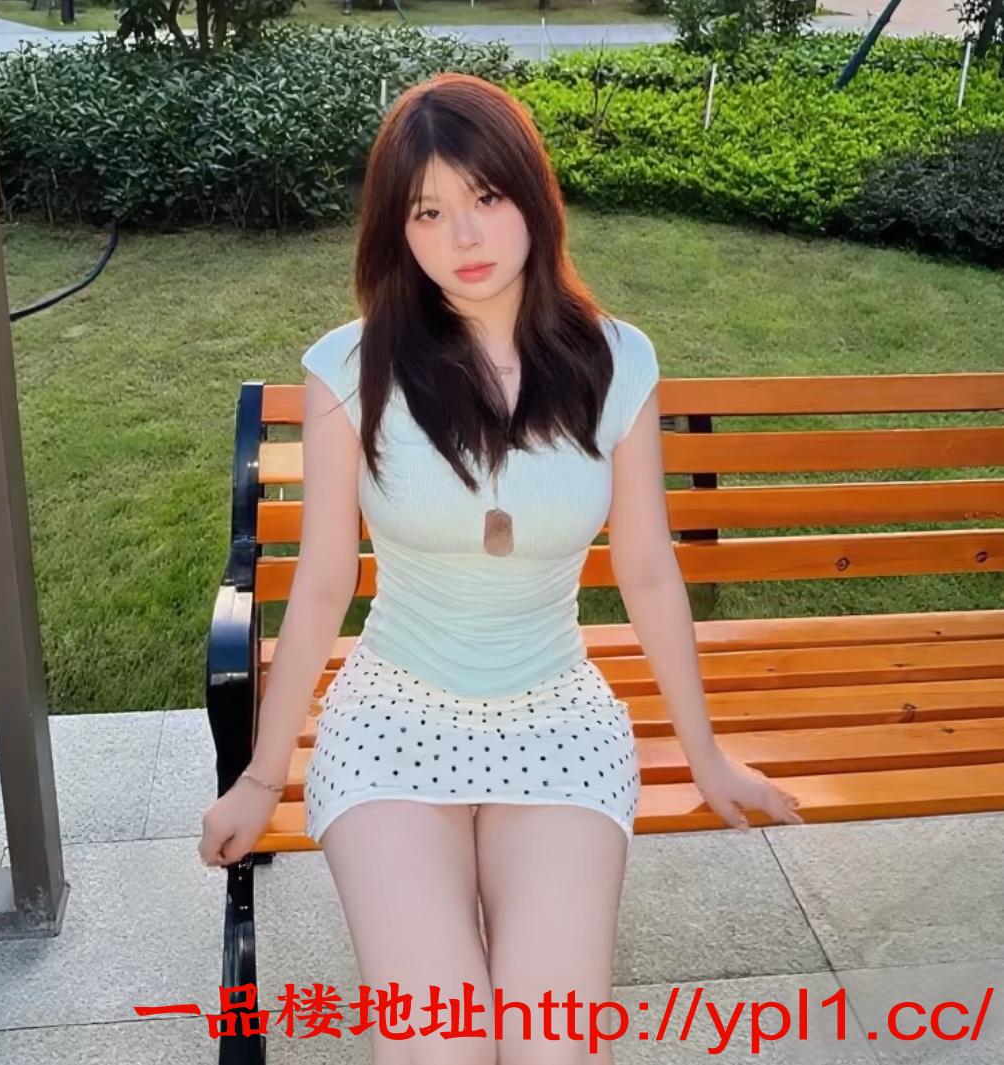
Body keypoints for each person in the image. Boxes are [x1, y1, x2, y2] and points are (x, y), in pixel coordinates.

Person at [200, 72, 803, 1060]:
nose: (465, 237)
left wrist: (706, 754)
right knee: (442, 1042)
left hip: (557, 717)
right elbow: (322, 582)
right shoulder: (350, 368)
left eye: (485, 196)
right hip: (392, 720)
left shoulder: (616, 361)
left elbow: (649, 570)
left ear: (533, 195)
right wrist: (263, 778)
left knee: (550, 1044)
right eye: (428, 211)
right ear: (397, 230)